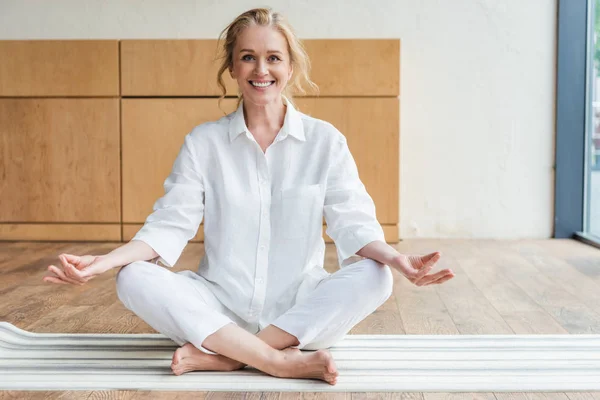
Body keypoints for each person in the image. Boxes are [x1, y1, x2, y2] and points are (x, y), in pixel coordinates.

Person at [42, 7, 454, 386]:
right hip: (218, 306)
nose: (262, 69)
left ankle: (229, 357)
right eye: (248, 57)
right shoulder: (204, 142)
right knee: (132, 276)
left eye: (274, 57)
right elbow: (168, 226)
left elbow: (354, 223)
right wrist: (101, 263)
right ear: (233, 68)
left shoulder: (325, 141)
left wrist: (399, 260)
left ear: (290, 67)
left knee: (376, 274)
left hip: (299, 310)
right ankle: (275, 361)